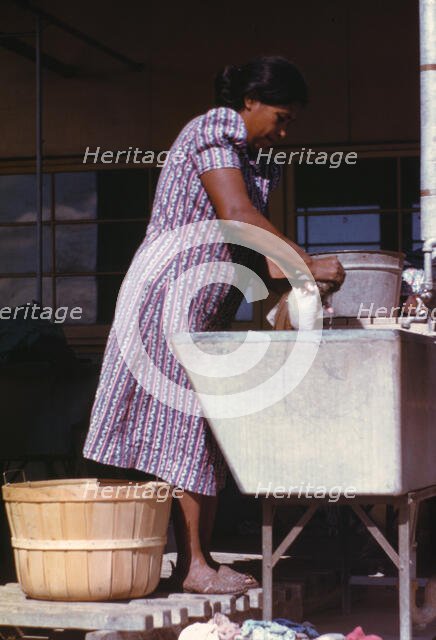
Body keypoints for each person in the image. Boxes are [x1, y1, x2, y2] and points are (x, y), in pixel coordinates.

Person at [83, 56, 345, 595]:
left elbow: (247, 244)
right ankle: (193, 566)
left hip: (203, 305)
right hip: (168, 297)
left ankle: (192, 560)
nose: (285, 128)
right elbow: (237, 215)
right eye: (281, 115)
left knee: (198, 430)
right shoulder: (213, 130)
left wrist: (286, 284)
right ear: (248, 101)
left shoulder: (255, 157)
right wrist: (304, 265)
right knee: (183, 430)